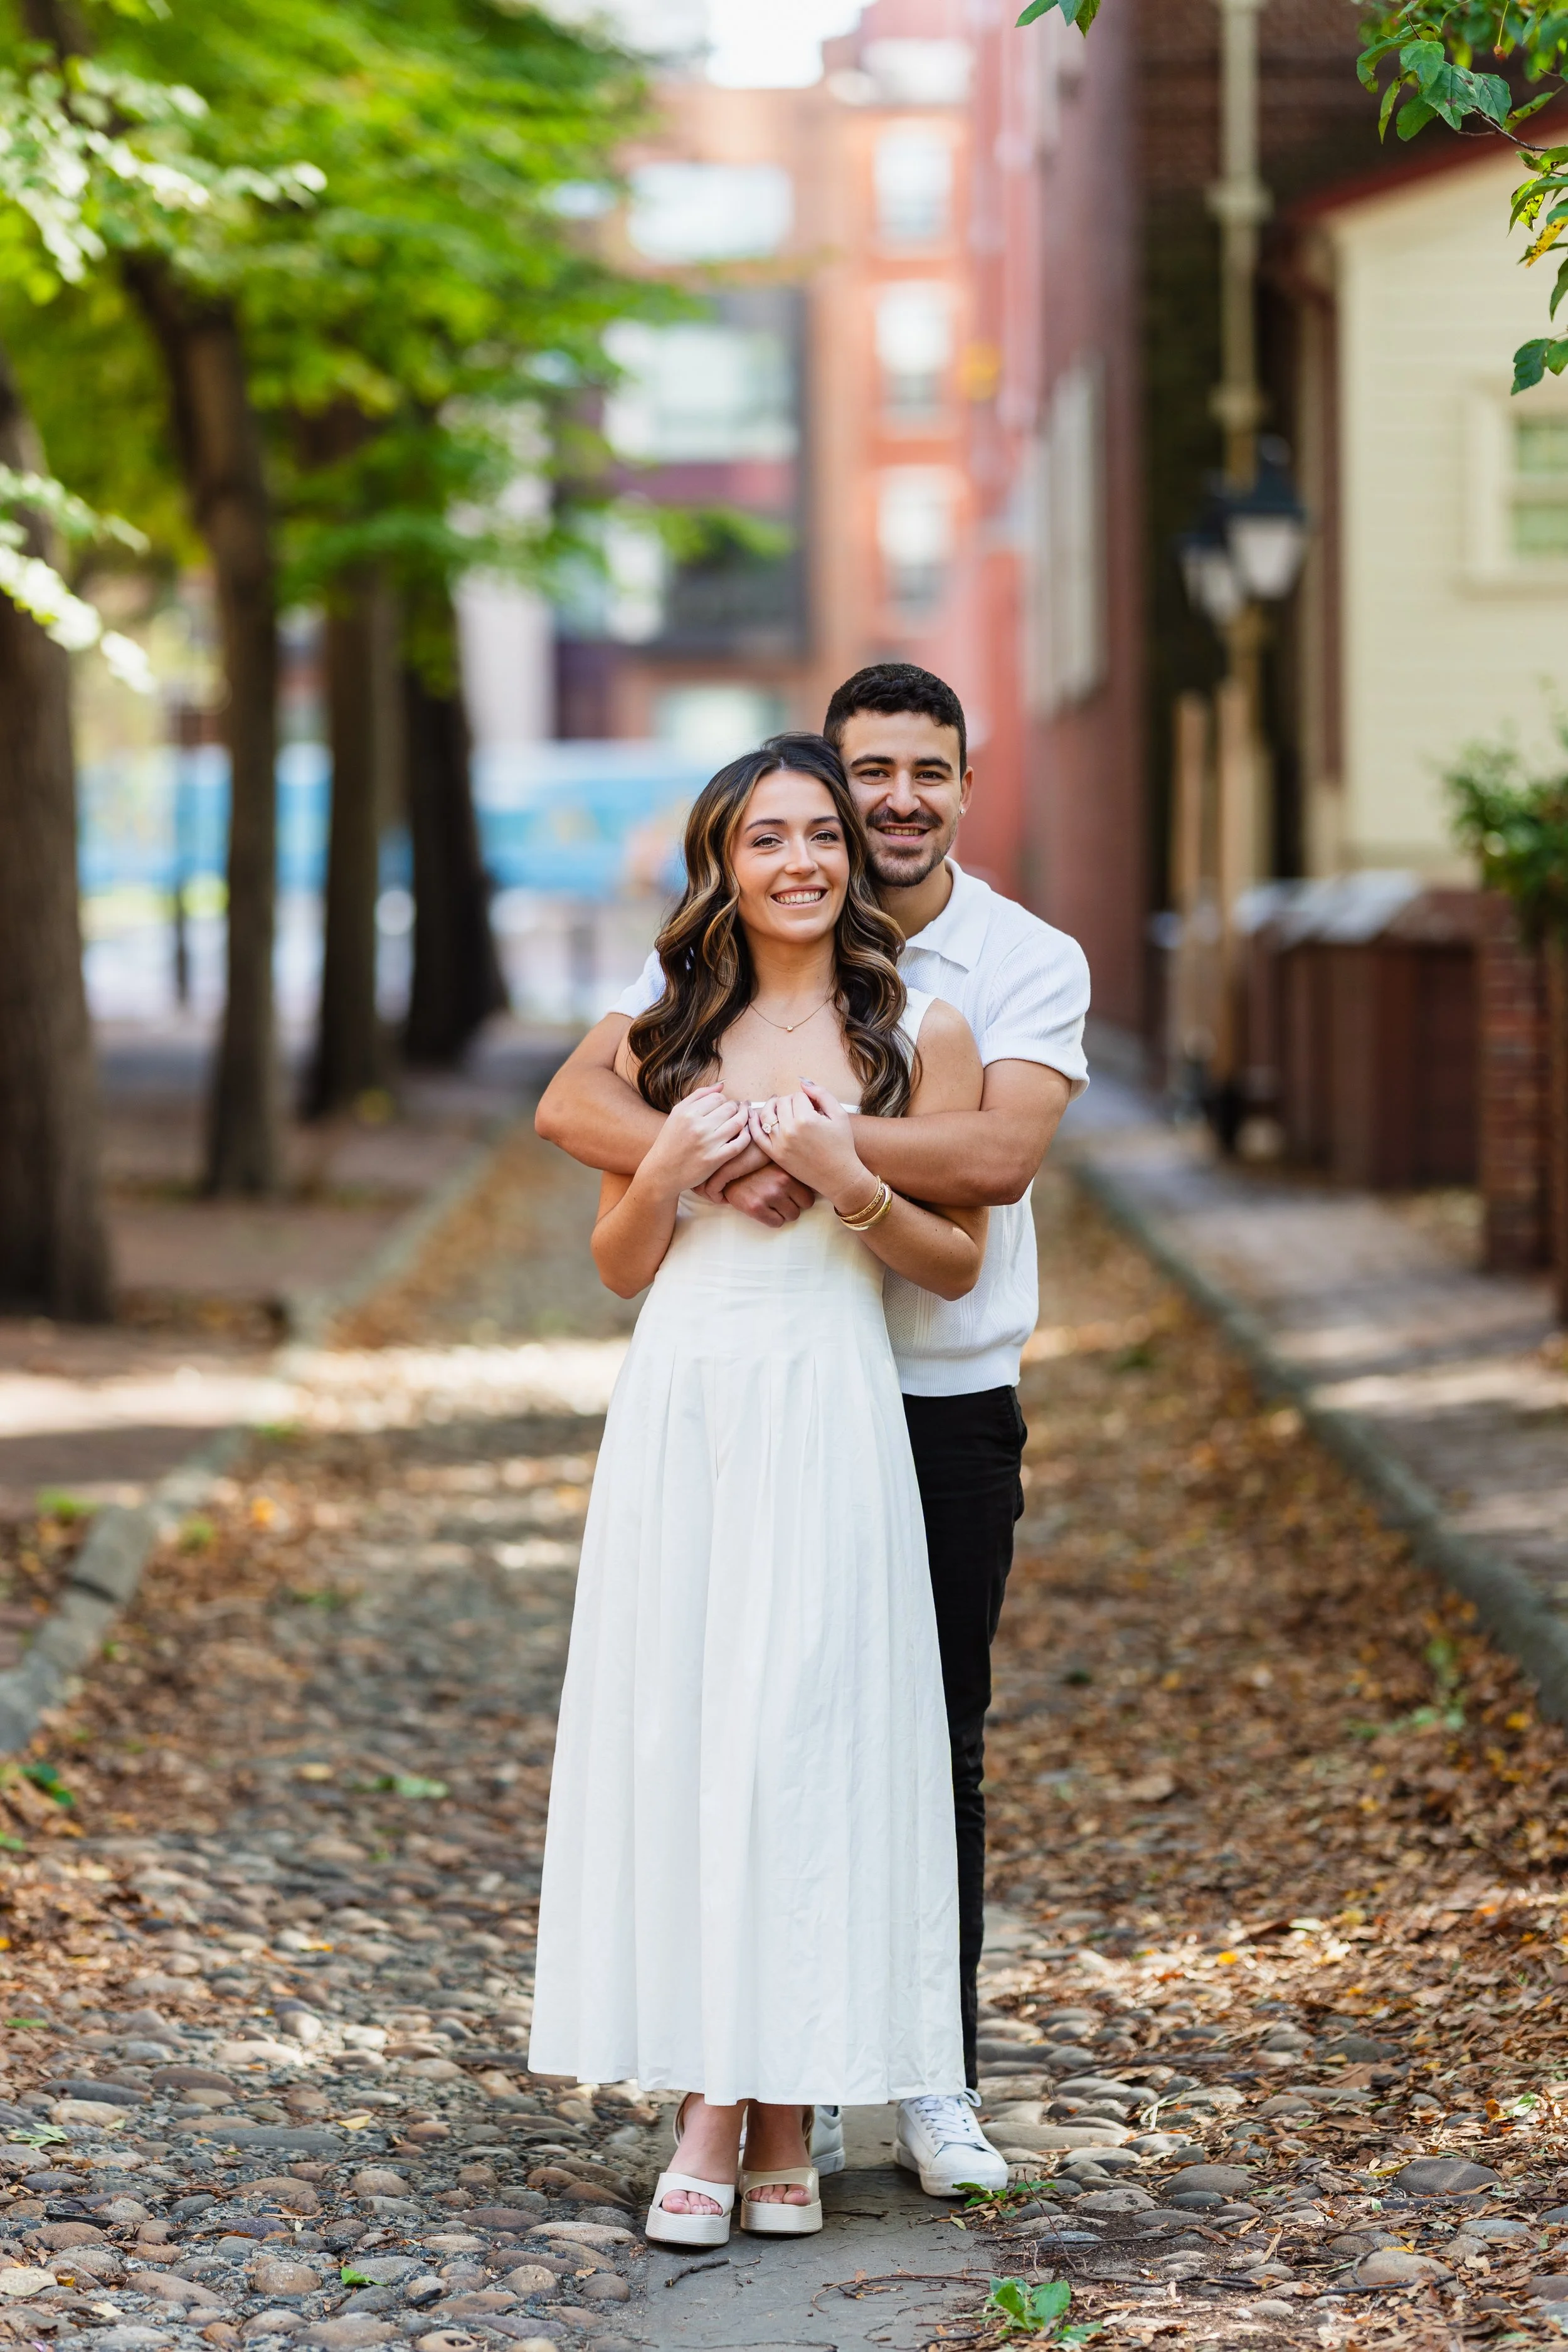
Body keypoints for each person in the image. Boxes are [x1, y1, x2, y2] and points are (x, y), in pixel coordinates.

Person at [536, 664, 1091, 2197]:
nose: (811, 853)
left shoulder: (951, 1005)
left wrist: (837, 1165)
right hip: (695, 1407)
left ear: (951, 792)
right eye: (773, 833)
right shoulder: (661, 1031)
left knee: (878, 1746)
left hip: (876, 1404)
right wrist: (689, 1167)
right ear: (725, 860)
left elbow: (978, 1191)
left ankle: (891, 2084)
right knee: (708, 1737)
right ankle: (736, 2102)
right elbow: (607, 1228)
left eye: (823, 834)